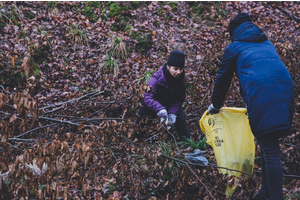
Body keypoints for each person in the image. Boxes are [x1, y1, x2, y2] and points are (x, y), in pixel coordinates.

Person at [208, 13, 294, 200]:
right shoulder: (266, 42)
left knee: (270, 150)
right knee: (268, 143)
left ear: (234, 33)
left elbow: (222, 80)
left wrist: (215, 106)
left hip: (264, 96)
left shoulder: (234, 47)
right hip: (285, 92)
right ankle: (265, 193)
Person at [134, 50, 190, 140]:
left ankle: (187, 144)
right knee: (142, 117)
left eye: (181, 69)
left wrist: (172, 113)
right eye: (175, 69)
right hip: (154, 103)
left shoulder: (182, 80)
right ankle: (136, 139)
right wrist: (160, 109)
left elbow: (179, 99)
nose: (178, 72)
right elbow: (148, 97)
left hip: (170, 103)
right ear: (168, 67)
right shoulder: (157, 78)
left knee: (180, 120)